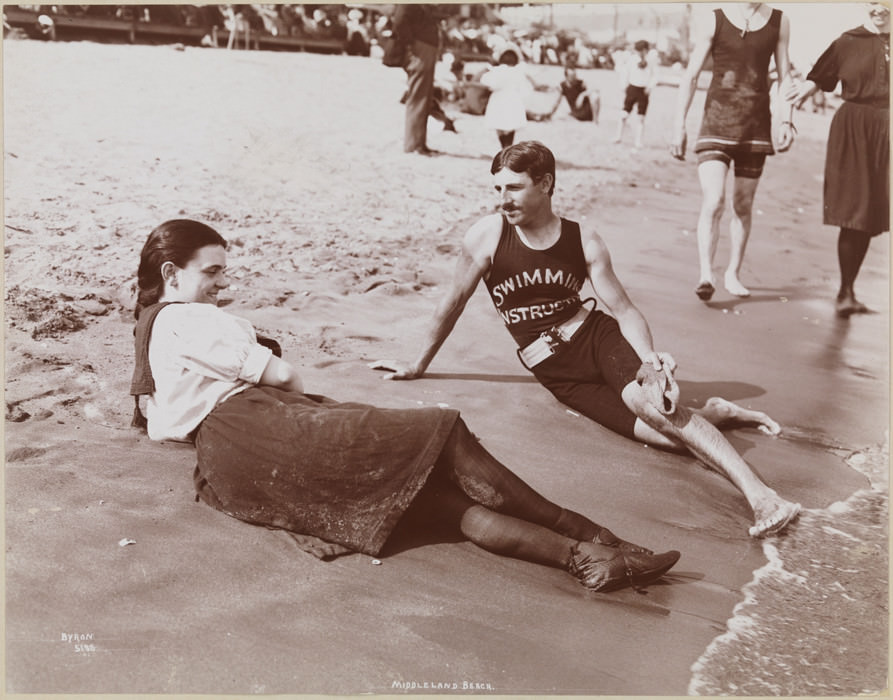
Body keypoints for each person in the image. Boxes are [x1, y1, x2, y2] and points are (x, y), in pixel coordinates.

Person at [129, 218, 680, 594]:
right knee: (443, 433)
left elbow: (161, 422)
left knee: (438, 503)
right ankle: (596, 537)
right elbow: (287, 377)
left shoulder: (149, 328)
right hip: (259, 426)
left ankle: (584, 559)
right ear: (171, 274)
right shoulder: (189, 317)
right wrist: (296, 398)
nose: (222, 283)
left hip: (231, 469)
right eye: (212, 272)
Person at [371, 141, 801, 539]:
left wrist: (649, 359)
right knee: (662, 435)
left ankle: (762, 496)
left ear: (546, 184)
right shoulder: (486, 235)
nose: (503, 199)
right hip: (557, 373)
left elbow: (624, 309)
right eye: (498, 188)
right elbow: (452, 303)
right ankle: (715, 413)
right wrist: (417, 364)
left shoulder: (583, 240)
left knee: (646, 403)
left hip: (597, 338)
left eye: (515, 188)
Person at [670, 3, 796, 301]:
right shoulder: (715, 19)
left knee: (742, 204)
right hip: (716, 122)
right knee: (714, 200)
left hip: (755, 125)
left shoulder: (779, 21)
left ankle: (733, 273)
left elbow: (785, 75)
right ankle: (705, 273)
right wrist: (679, 125)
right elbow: (691, 75)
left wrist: (787, 119)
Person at [784, 3, 889, 317]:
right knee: (856, 211)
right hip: (854, 129)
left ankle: (848, 291)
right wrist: (792, 104)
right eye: (872, 3)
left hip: (888, 129)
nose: (878, 9)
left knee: (874, 216)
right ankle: (846, 292)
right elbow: (818, 79)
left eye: (884, 2)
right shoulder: (847, 41)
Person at [391, 4, 441, 155]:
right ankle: (413, 145)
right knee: (418, 96)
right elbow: (399, 21)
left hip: (423, 49)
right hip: (420, 50)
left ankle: (419, 143)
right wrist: (411, 43)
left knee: (424, 97)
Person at [479, 45, 539, 149]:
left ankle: (504, 147)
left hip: (498, 99)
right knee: (510, 125)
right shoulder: (518, 71)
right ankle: (508, 146)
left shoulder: (497, 71)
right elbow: (524, 90)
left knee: (499, 125)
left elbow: (486, 82)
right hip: (513, 99)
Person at [613, 40, 656, 147]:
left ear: (645, 50)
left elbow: (655, 75)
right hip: (632, 88)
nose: (639, 53)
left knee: (641, 117)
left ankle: (638, 141)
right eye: (638, 51)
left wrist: (650, 87)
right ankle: (618, 136)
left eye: (641, 51)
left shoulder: (651, 61)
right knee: (624, 114)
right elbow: (625, 72)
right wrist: (624, 86)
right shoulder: (632, 60)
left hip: (643, 90)